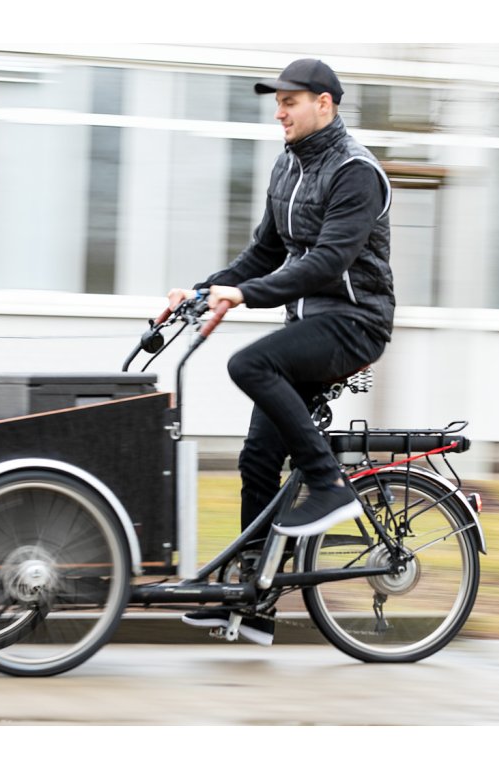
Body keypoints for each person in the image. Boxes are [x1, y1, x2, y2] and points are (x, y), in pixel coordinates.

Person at [168, 59, 395, 645]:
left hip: (355, 322)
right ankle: (254, 601)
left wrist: (245, 295)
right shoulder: (289, 166)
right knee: (257, 460)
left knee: (249, 362)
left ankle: (328, 485)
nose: (278, 112)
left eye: (289, 101)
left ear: (324, 104)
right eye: (277, 102)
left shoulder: (356, 172)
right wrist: (202, 291)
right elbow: (264, 254)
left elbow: (328, 262)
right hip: (308, 324)